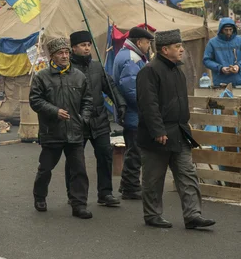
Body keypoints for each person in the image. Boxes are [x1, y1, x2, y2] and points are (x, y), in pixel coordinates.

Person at [137, 29, 215, 229]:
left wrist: (185, 122)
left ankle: (193, 215)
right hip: (158, 135)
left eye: (181, 46)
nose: (182, 50)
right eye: (177, 46)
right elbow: (148, 104)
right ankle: (152, 215)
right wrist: (158, 130)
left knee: (187, 174)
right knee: (154, 178)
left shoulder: (178, 71)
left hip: (179, 132)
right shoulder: (149, 71)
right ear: (165, 49)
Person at [29, 37, 93, 219]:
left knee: (79, 170)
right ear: (52, 56)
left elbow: (88, 100)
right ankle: (40, 196)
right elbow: (35, 101)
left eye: (66, 52)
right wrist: (54, 111)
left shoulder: (79, 76)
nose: (65, 56)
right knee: (46, 168)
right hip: (52, 132)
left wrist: (84, 118)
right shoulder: (42, 77)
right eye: (60, 53)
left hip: (75, 131)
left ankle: (79, 204)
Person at [65, 31, 126, 207]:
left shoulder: (97, 67)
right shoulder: (68, 70)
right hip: (78, 121)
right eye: (83, 45)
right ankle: (73, 194)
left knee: (105, 156)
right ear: (74, 48)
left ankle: (105, 193)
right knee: (75, 160)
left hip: (99, 119)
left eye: (88, 45)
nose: (86, 48)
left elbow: (110, 86)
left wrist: (120, 103)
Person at [112, 26, 154, 200]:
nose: (149, 47)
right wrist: (148, 107)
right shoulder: (132, 58)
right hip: (134, 112)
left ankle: (128, 185)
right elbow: (132, 89)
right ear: (139, 42)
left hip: (130, 112)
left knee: (133, 149)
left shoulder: (126, 54)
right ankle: (130, 187)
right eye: (147, 43)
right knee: (135, 151)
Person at [203, 17, 241, 87]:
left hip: (238, 82)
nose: (228, 32)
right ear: (221, 30)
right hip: (220, 83)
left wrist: (238, 66)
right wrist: (220, 68)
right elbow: (206, 60)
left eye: (230, 30)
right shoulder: (212, 43)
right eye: (226, 30)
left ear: (233, 29)